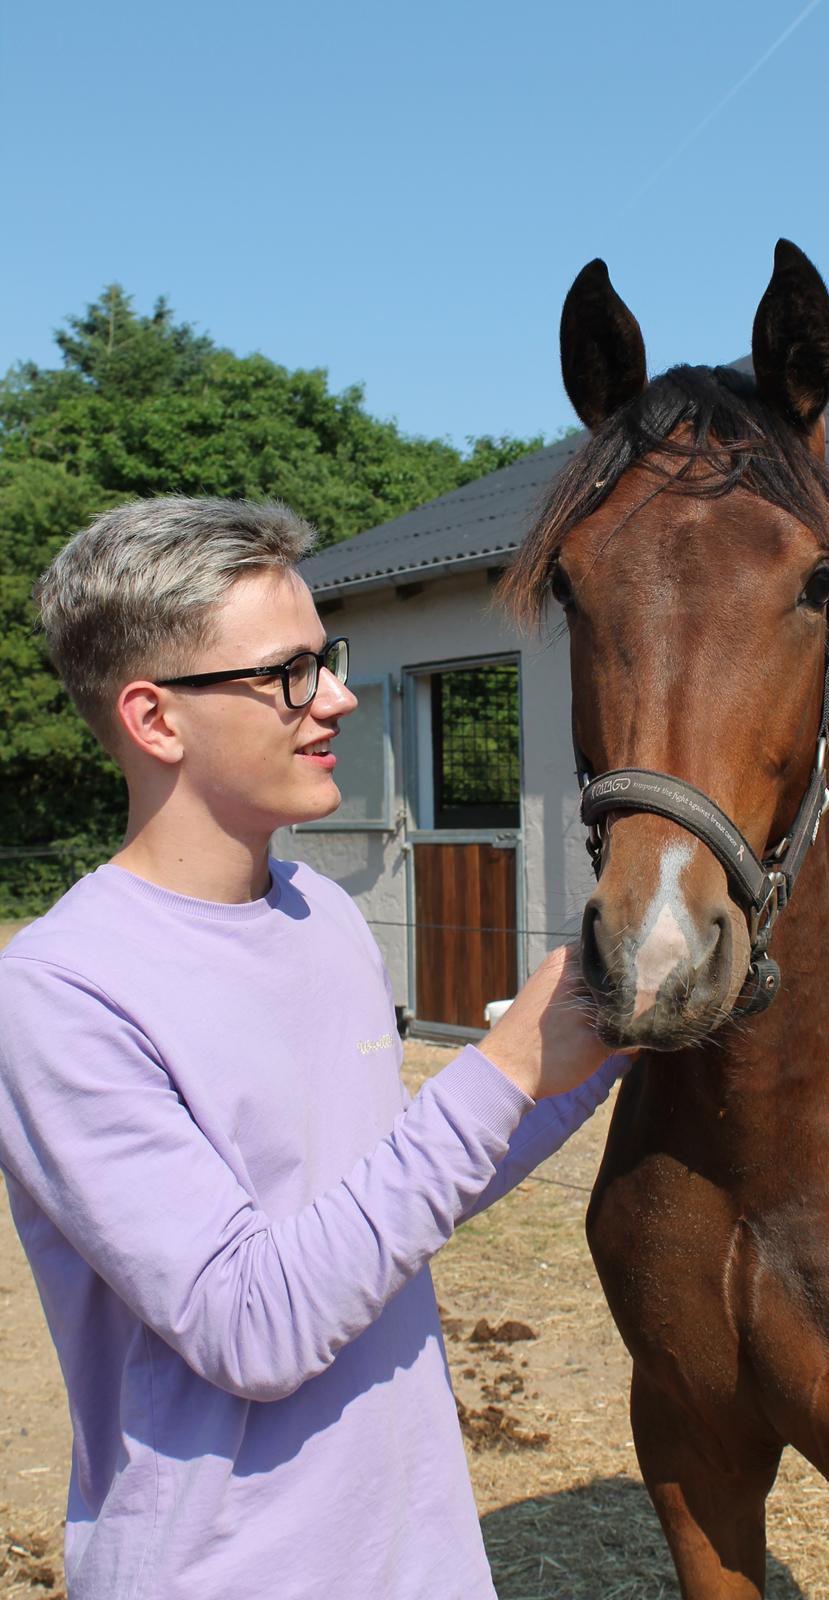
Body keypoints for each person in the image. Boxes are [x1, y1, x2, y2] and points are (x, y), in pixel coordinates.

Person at [0, 497, 627, 1600]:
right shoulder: (61, 994)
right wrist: (502, 1068)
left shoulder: (320, 912)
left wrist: (617, 1030)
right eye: (287, 673)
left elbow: (390, 1198)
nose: (336, 696)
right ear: (155, 719)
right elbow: (253, 1324)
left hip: (421, 1561)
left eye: (323, 660)